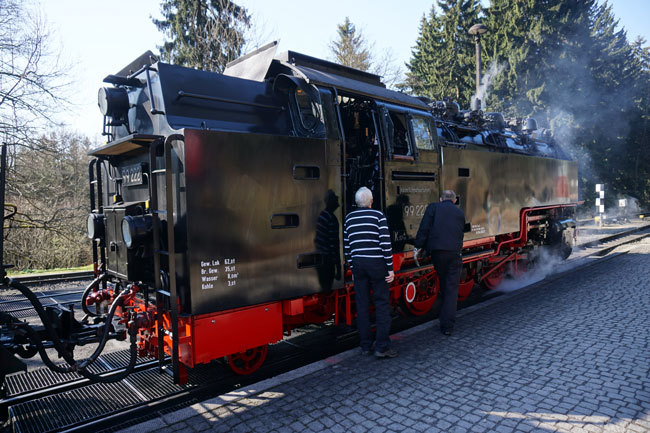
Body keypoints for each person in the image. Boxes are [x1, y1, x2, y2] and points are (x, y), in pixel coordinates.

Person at [343, 187, 397, 358]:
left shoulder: (349, 218)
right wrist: (390, 268)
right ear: (371, 201)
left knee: (362, 305)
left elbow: (347, 246)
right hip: (376, 265)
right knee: (381, 304)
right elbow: (385, 244)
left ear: (357, 202)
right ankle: (382, 347)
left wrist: (352, 265)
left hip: (358, 265)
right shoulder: (378, 216)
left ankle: (365, 345)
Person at [414, 190, 465, 336]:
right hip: (454, 254)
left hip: (437, 254)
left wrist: (418, 246)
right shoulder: (459, 213)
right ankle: (447, 326)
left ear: (441, 199)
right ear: (454, 201)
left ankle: (441, 313)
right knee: (451, 289)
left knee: (443, 283)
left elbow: (424, 228)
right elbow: (460, 234)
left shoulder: (433, 207)